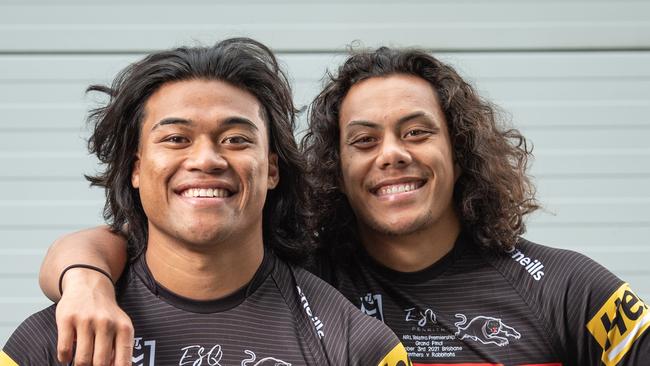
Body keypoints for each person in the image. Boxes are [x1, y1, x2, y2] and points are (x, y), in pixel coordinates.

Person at [33, 46, 649, 365]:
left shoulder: (567, 288)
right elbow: (128, 242)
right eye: (363, 140)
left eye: (416, 132)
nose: (391, 156)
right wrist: (84, 283)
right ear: (334, 165)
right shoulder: (304, 277)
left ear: (459, 150)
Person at [0, 39, 411, 366]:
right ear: (136, 169)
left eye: (235, 140)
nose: (206, 160)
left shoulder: (359, 347)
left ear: (271, 169)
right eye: (176, 138)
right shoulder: (49, 344)